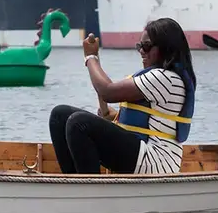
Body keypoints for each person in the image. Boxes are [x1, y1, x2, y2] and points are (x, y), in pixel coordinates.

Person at [49, 18, 196, 175]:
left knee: (78, 123)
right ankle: (73, 184)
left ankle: (90, 192)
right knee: (60, 115)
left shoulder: (166, 78)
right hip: (144, 152)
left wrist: (91, 58)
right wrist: (113, 115)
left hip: (155, 161)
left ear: (166, 48)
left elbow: (108, 92)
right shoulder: (163, 77)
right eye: (140, 46)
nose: (141, 51)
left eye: (146, 46)